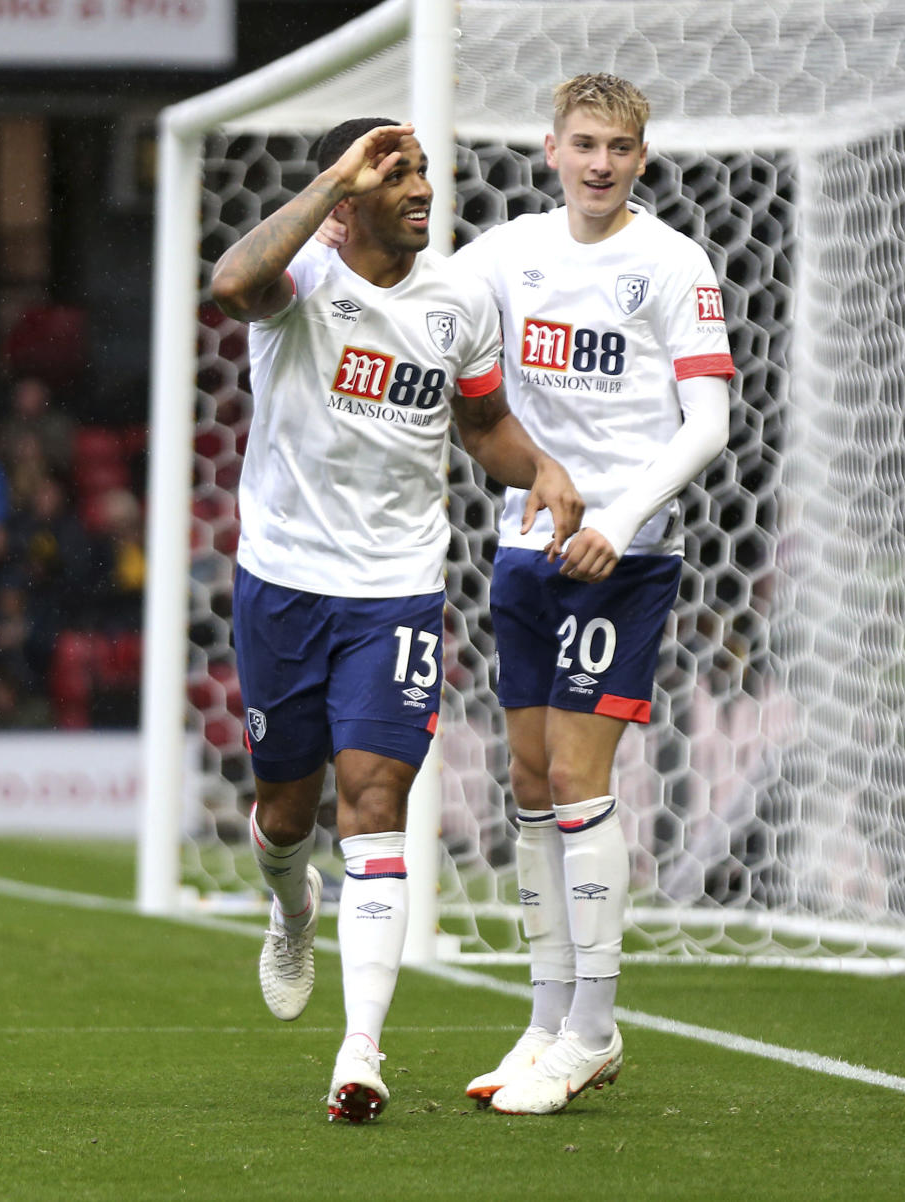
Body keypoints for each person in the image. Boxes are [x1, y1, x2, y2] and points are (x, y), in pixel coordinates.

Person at [320, 76, 735, 1113]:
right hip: (526, 549)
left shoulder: (674, 264)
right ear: (550, 149)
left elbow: (709, 420)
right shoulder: (505, 255)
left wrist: (620, 518)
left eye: (621, 147)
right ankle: (548, 1016)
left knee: (579, 773)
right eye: (584, 143)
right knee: (531, 779)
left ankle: (594, 1026)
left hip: (625, 553)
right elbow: (409, 304)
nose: (601, 163)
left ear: (644, 156)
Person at [210, 118, 583, 1123]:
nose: (422, 187)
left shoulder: (458, 299)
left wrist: (541, 464)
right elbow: (229, 286)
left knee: (374, 798)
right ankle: (292, 907)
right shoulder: (301, 282)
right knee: (288, 813)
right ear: (346, 196)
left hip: (398, 589)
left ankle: (358, 1049)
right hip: (283, 582)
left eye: (422, 169)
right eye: (396, 171)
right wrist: (331, 177)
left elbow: (481, 424)